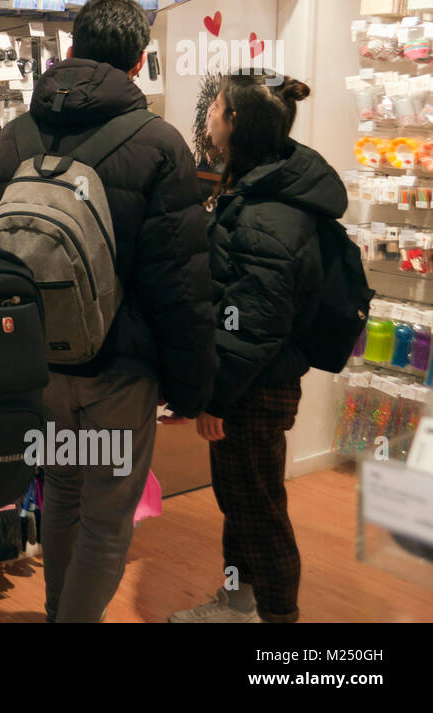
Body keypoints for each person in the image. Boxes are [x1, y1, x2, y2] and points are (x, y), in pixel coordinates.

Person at [0, 0, 215, 622]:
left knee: (63, 493)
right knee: (108, 520)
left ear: (72, 49)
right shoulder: (160, 144)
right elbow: (181, 282)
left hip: (35, 366)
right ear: (139, 61)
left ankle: (61, 612)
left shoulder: (11, 140)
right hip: (118, 371)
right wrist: (193, 386)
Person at [169, 71, 339, 624]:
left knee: (257, 508)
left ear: (235, 121)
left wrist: (218, 397)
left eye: (215, 106)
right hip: (254, 381)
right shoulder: (256, 185)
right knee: (243, 500)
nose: (208, 116)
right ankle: (238, 602)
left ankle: (278, 623)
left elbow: (255, 322)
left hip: (254, 387)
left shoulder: (269, 210)